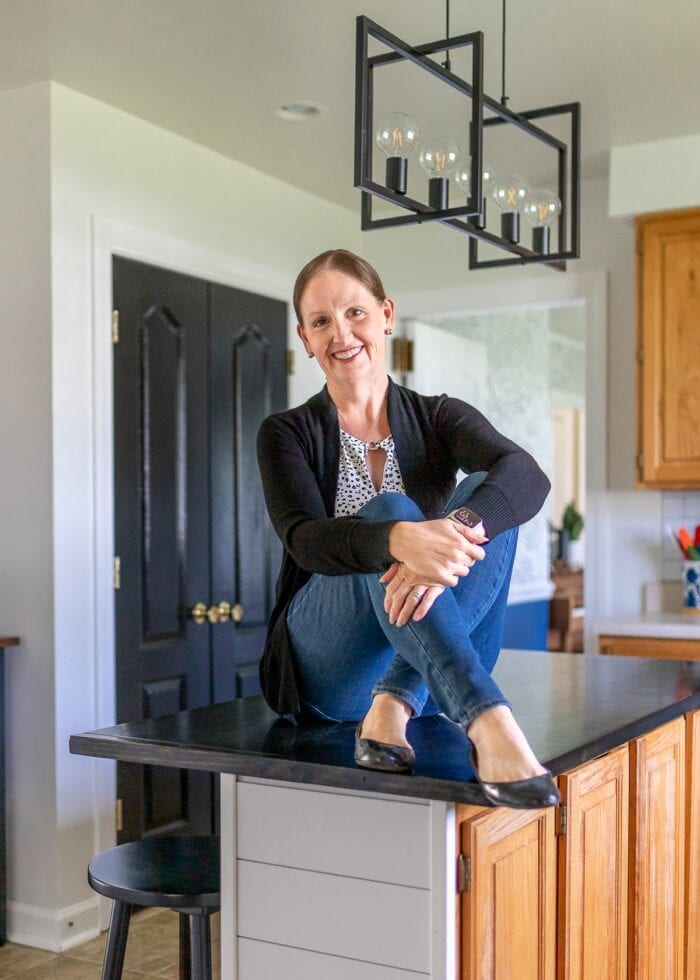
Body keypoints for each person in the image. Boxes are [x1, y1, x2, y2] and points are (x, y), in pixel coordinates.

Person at [256, 249, 559, 809]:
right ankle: (489, 720)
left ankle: (393, 703)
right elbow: (305, 540)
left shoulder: (439, 416)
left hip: (424, 660)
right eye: (321, 321)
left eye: (355, 313)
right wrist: (399, 537)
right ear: (305, 336)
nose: (341, 333)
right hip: (328, 665)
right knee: (391, 506)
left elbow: (528, 476)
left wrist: (458, 526)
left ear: (386, 313)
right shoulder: (287, 433)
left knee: (490, 497)